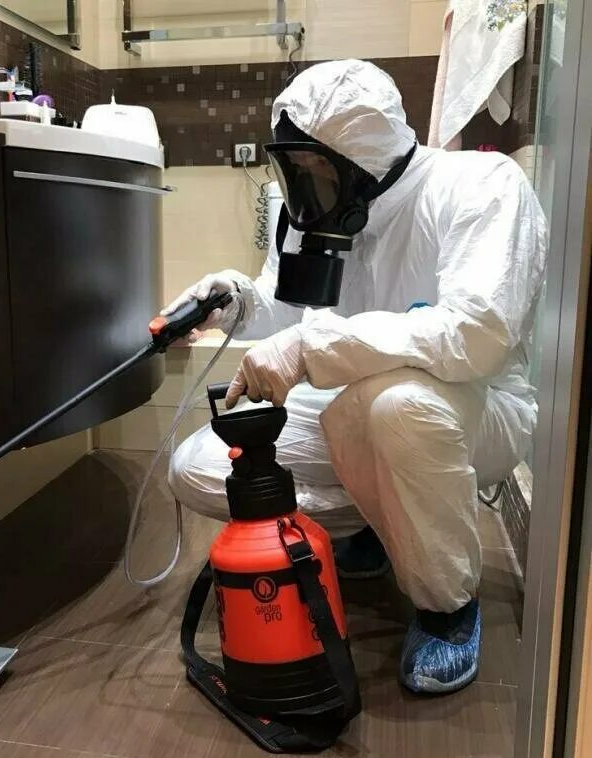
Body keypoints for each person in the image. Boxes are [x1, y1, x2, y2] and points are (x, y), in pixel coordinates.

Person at [164, 59, 547, 694]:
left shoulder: (479, 185)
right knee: (198, 468)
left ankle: (448, 607)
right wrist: (234, 300)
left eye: (309, 168)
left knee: (395, 407)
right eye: (290, 168)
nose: (299, 189)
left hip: (475, 406)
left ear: (359, 158)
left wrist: (313, 346)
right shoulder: (321, 214)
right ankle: (383, 521)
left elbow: (475, 334)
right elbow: (284, 311)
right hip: (350, 407)